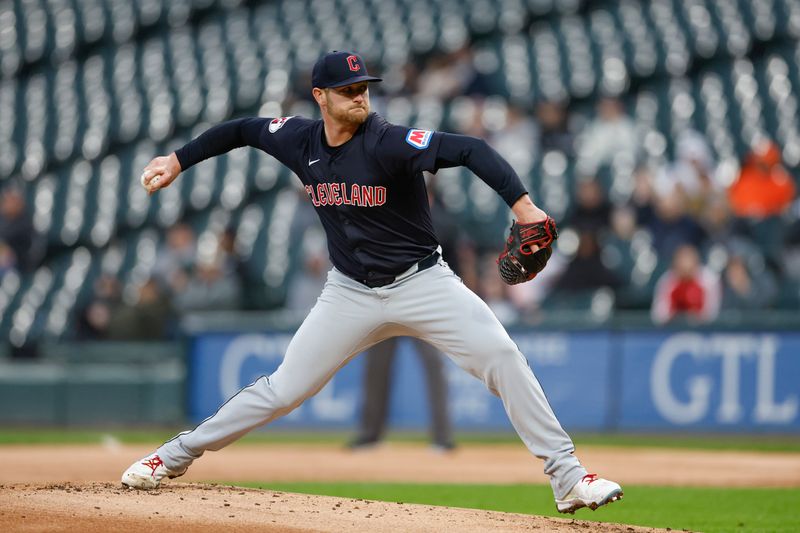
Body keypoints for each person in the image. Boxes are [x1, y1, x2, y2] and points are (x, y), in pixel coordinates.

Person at [122, 51, 622, 514]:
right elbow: (243, 131)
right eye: (348, 90)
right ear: (320, 96)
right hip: (349, 293)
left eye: (364, 87)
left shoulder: (387, 141)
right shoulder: (299, 140)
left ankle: (568, 478)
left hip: (422, 283)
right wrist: (177, 160)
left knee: (502, 358)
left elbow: (470, 149)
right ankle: (171, 455)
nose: (360, 96)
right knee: (282, 390)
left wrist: (524, 206)